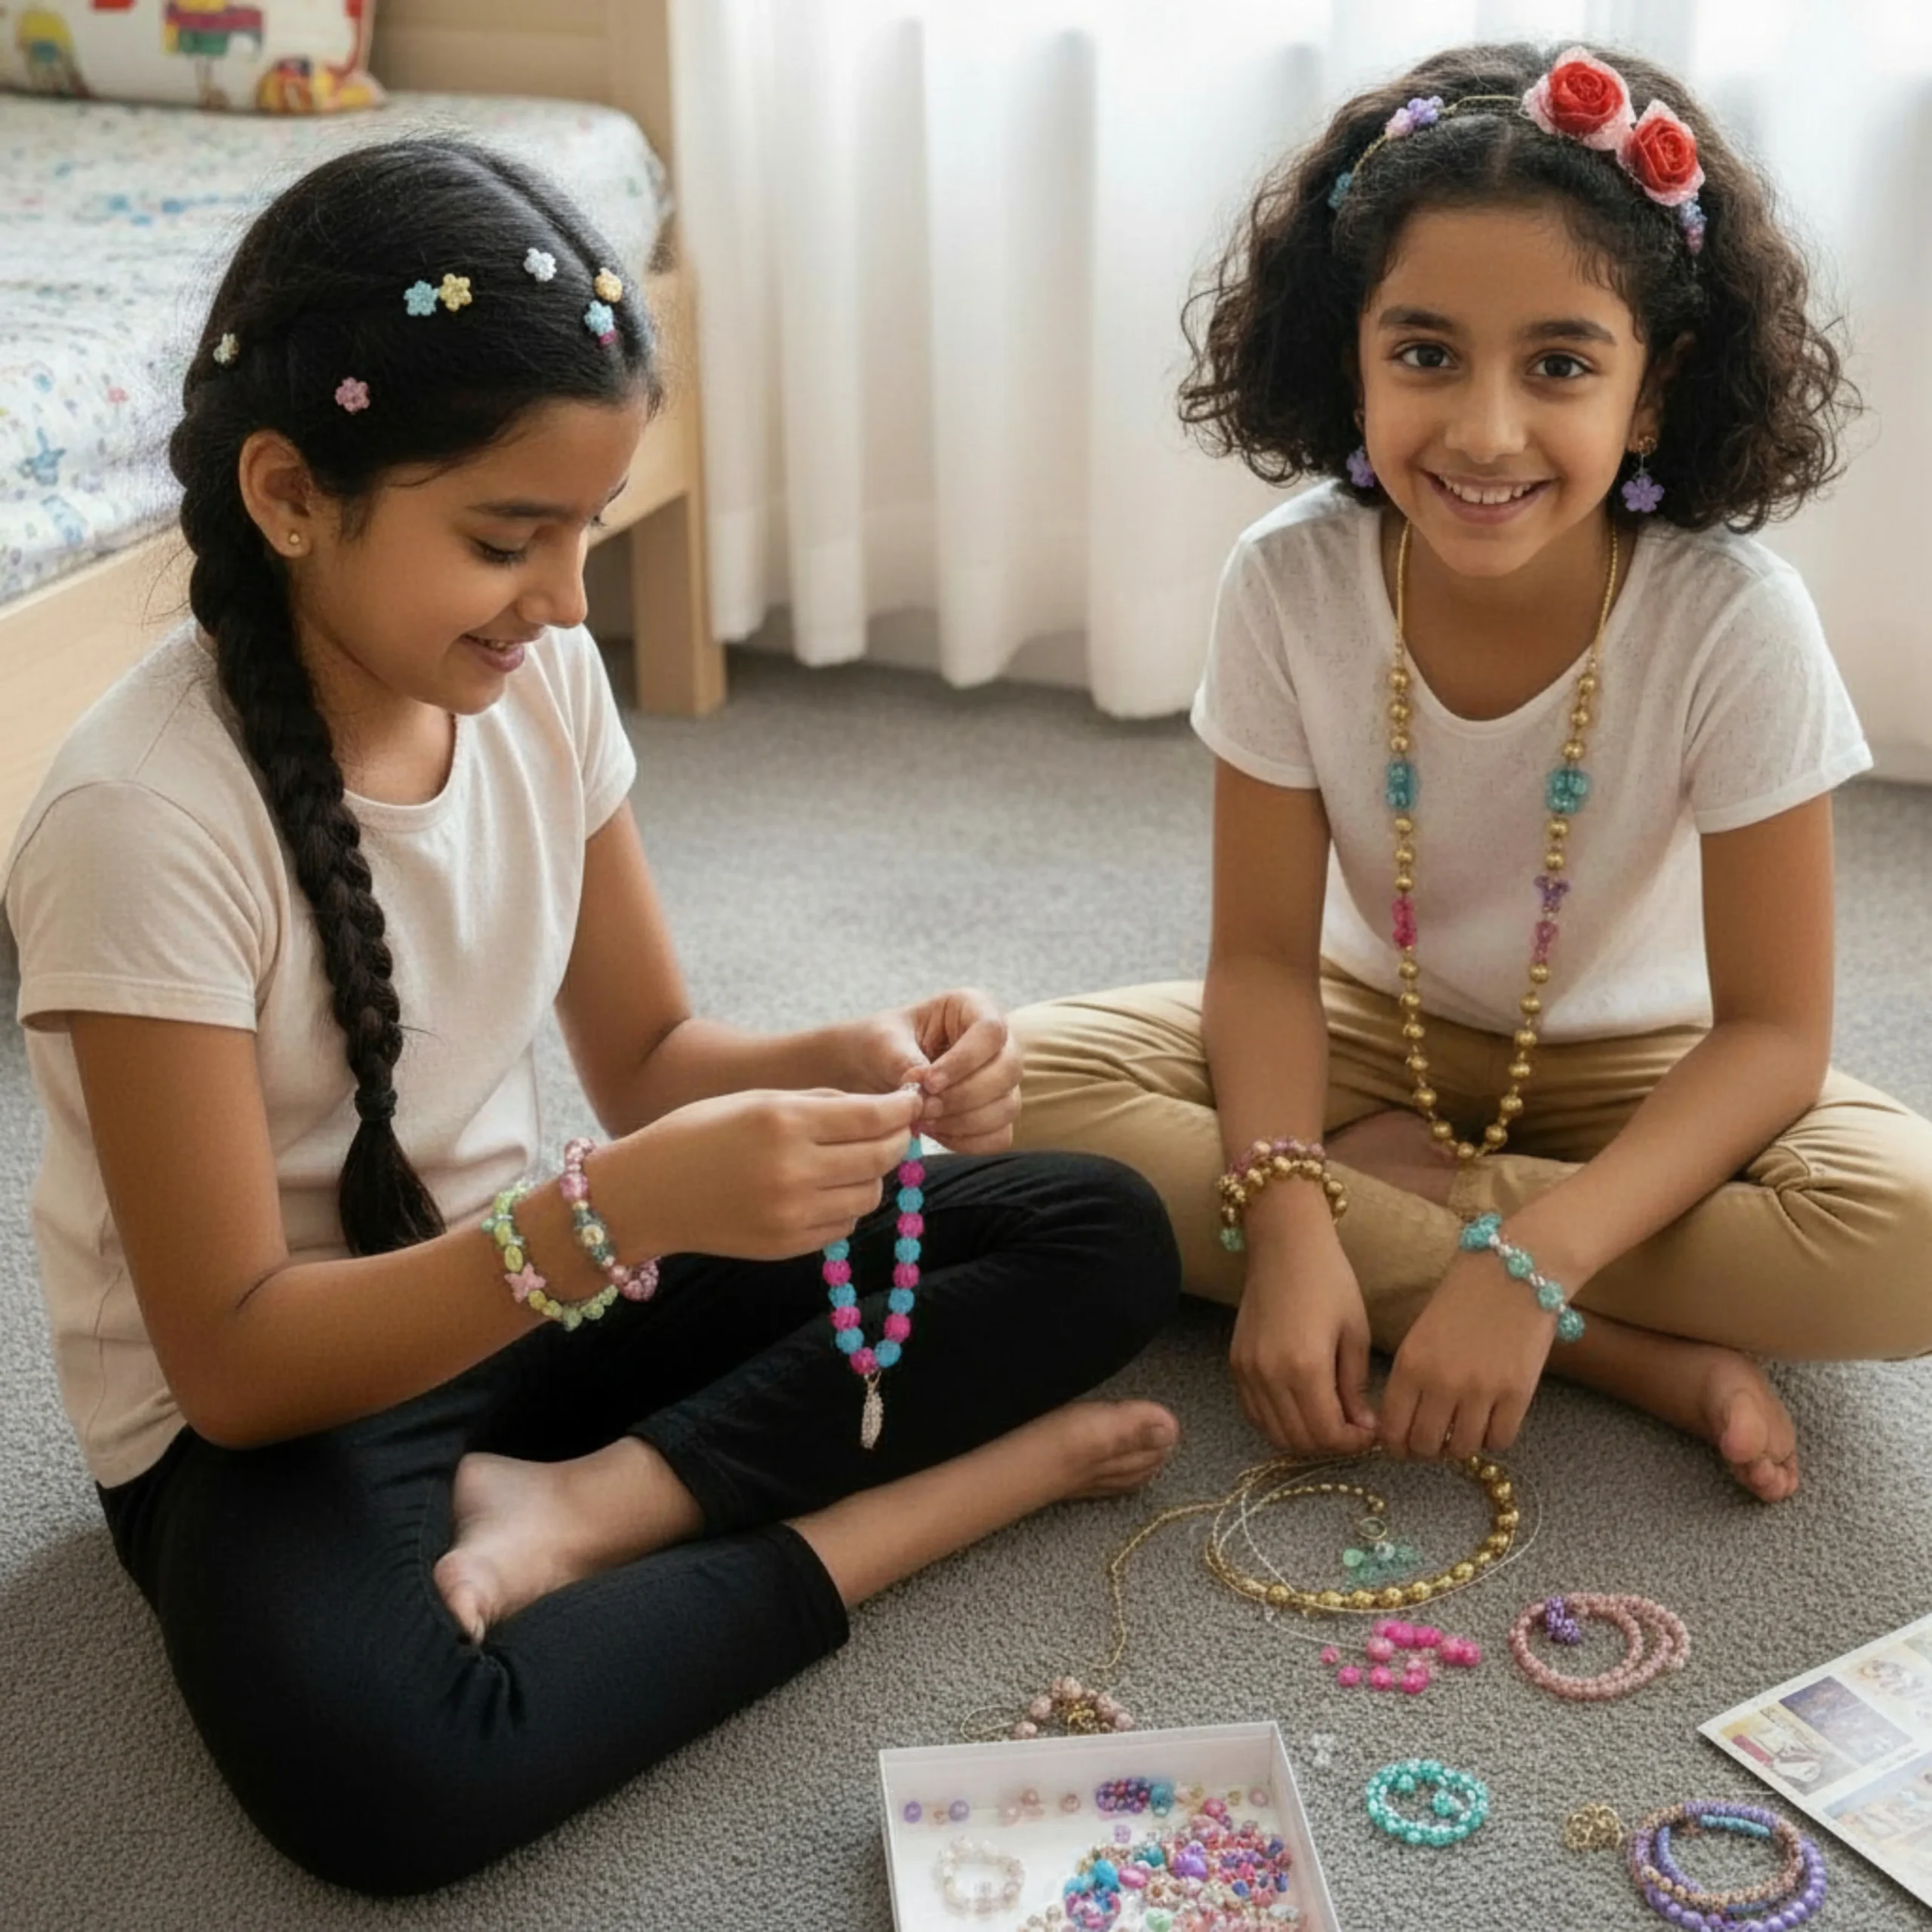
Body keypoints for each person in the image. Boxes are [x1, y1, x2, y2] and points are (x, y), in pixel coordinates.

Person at [1, 139, 1182, 1895]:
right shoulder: (138, 819)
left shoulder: (536, 677)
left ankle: (593, 1503)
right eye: (506, 538)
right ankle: (929, 1502)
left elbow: (647, 1063)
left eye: (586, 526)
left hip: (531, 1286)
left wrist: (861, 1065)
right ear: (289, 491)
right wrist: (612, 1212)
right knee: (390, 1773)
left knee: (1095, 1229)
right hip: (277, 1403)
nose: (566, 601)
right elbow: (237, 1364)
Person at [1010, 42, 1932, 1508]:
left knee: (1912, 1237)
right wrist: (1288, 1220)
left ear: (1651, 389)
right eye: (1425, 354)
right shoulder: (1287, 582)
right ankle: (1625, 1354)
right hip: (1361, 1028)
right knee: (1011, 1097)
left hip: (1641, 1068)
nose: (1486, 431)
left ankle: (1441, 1226)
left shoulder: (1732, 621)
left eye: (1558, 364)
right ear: (1352, 358)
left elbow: (1771, 1036)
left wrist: (1530, 1253)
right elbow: (1259, 962)